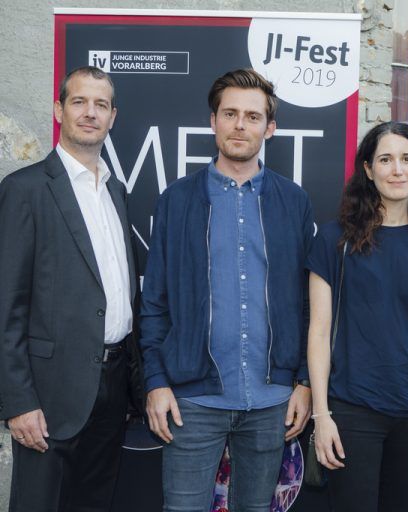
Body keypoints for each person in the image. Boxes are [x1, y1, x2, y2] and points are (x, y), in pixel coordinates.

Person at [139, 68, 314, 511]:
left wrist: (305, 383)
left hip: (272, 401)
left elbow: (309, 303)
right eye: (231, 113)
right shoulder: (177, 200)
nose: (241, 125)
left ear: (269, 128)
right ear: (213, 121)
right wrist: (156, 383)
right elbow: (155, 301)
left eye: (253, 117)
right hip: (193, 399)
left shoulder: (293, 201)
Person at [0, 66, 140, 511]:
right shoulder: (25, 190)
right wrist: (18, 402)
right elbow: (6, 306)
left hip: (113, 387)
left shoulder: (115, 191)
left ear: (113, 117)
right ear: (59, 110)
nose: (90, 113)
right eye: (79, 102)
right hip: (49, 394)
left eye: (101, 105)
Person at [307, 121, 408, 511]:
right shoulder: (333, 240)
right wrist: (321, 416)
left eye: (407, 159)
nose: (397, 169)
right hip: (353, 411)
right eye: (386, 159)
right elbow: (319, 332)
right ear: (368, 169)